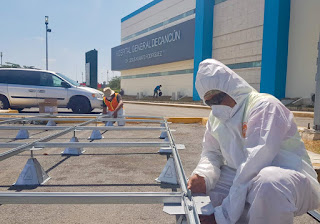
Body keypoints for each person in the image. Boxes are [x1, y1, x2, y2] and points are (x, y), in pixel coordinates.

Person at [187, 59, 320, 224]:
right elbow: (211, 153)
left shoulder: (264, 107)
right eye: (210, 102)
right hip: (245, 177)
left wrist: (222, 215)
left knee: (269, 183)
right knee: (201, 193)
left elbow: (254, 163)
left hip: (291, 181)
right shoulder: (216, 118)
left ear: (232, 89)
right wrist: (203, 176)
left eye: (218, 98)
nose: (216, 106)